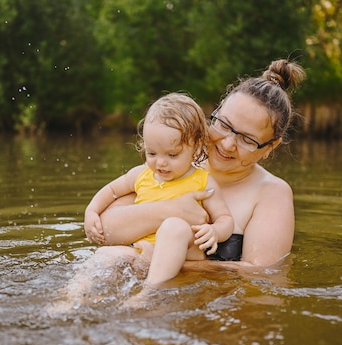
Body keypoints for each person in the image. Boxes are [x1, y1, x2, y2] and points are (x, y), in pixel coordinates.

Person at [87, 58, 306, 273]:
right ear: (215, 113)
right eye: (224, 125)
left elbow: (262, 275)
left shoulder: (271, 193)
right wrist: (169, 211)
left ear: (270, 147)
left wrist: (167, 262)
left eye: (247, 140)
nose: (228, 144)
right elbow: (103, 232)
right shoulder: (176, 162)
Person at [85, 92, 234, 285]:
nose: (161, 163)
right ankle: (71, 298)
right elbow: (111, 190)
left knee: (174, 226)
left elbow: (225, 218)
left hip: (183, 257)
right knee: (105, 255)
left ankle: (149, 292)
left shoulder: (203, 181)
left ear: (196, 149)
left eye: (172, 155)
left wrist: (215, 231)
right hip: (142, 253)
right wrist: (92, 211)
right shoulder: (141, 174)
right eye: (152, 153)